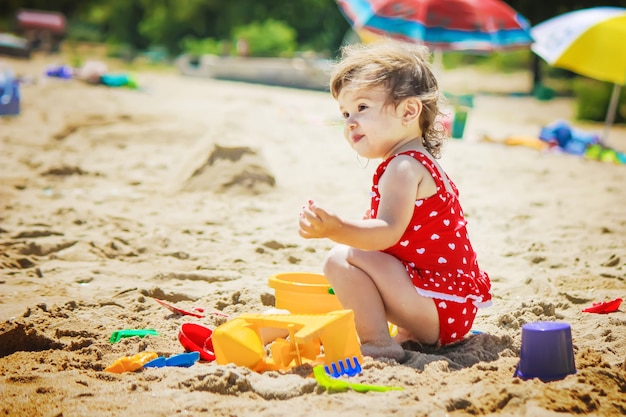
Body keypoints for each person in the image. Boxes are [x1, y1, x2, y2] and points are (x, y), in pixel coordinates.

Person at [298, 41, 492, 361]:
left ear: (409, 111)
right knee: (353, 254)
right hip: (448, 306)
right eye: (345, 113)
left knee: (339, 258)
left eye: (362, 107)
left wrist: (337, 228)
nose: (350, 121)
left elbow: (386, 232)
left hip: (439, 309)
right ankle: (404, 332)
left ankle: (377, 342)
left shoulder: (403, 166)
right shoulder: (414, 160)